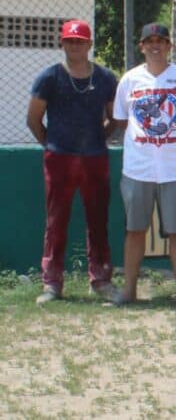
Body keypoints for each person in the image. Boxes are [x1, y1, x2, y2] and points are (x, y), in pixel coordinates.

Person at [112, 23, 176, 305]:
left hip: (175, 167)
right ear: (141, 46)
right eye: (149, 41)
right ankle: (129, 290)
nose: (155, 46)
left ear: (169, 46)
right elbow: (121, 118)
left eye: (161, 41)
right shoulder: (130, 80)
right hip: (137, 168)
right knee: (134, 230)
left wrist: (175, 131)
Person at [26, 19, 120, 304]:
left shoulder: (105, 78)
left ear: (90, 44)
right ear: (62, 43)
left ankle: (101, 280)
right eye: (70, 40)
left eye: (80, 41)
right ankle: (52, 283)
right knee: (56, 220)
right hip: (59, 158)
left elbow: (114, 118)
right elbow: (33, 119)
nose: (75, 45)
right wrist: (54, 145)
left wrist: (95, 140)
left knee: (98, 219)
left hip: (95, 158)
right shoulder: (49, 77)